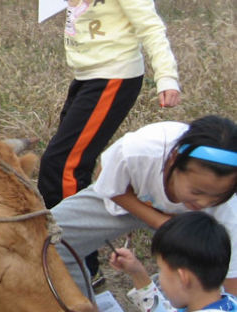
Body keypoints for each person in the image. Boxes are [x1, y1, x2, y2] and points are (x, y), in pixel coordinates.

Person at [38, 0, 181, 285]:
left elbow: (151, 27)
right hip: (87, 76)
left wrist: (167, 78)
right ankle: (65, 254)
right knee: (63, 162)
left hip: (114, 76)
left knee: (63, 166)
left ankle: (79, 264)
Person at [49, 115, 237, 299]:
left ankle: (168, 302)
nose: (204, 203)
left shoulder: (228, 209)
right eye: (197, 192)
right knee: (48, 238)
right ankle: (78, 304)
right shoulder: (141, 150)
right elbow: (106, 179)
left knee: (204, 279)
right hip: (130, 198)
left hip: (192, 226)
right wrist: (159, 221)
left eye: (218, 196)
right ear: (173, 160)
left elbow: (231, 280)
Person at [109, 211, 237, 312]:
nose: (160, 278)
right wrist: (138, 274)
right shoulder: (230, 302)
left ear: (183, 277)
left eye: (161, 269)